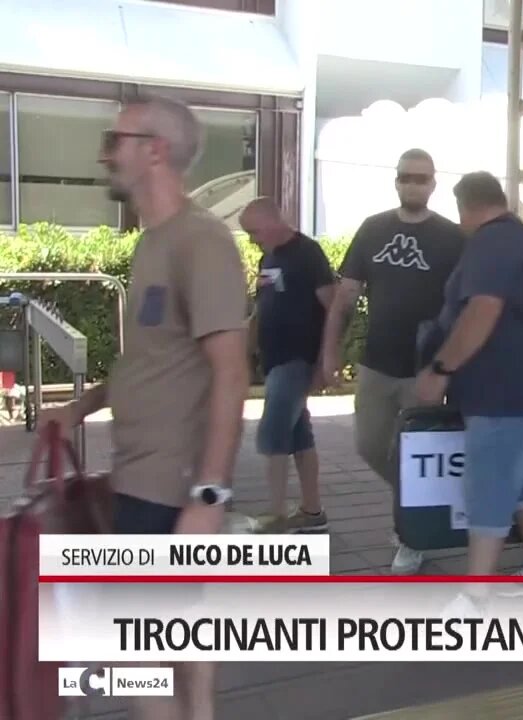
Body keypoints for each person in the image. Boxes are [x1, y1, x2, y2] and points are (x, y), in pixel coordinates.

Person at [42, 95, 250, 720]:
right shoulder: (153, 243)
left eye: (116, 139)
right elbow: (154, 361)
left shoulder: (202, 242)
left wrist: (209, 497)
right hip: (145, 480)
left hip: (171, 486)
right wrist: (80, 408)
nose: (106, 153)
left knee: (136, 649)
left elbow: (231, 373)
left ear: (154, 151)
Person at [319, 148, 466, 574]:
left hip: (425, 365)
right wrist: (330, 351)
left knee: (416, 452)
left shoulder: (451, 236)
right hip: (377, 361)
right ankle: (424, 501)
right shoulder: (373, 228)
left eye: (421, 178)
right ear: (396, 180)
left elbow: (467, 302)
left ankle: (412, 535)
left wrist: (449, 363)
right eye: (406, 176)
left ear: (433, 183)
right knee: (369, 446)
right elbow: (345, 295)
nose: (413, 184)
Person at [414, 171, 523, 581]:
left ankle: (475, 598)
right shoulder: (520, 237)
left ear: (465, 206)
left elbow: (482, 310)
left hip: (503, 388)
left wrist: (441, 368)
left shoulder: (493, 240)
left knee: (488, 488)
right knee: (517, 478)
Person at [241, 197, 335, 534]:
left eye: (253, 231)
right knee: (298, 435)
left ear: (271, 221)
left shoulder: (307, 253)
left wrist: (326, 359)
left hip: (298, 357)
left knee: (272, 433)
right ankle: (312, 511)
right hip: (274, 357)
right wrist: (246, 351)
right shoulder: (269, 256)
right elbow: (261, 306)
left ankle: (276, 514)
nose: (252, 239)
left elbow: (333, 306)